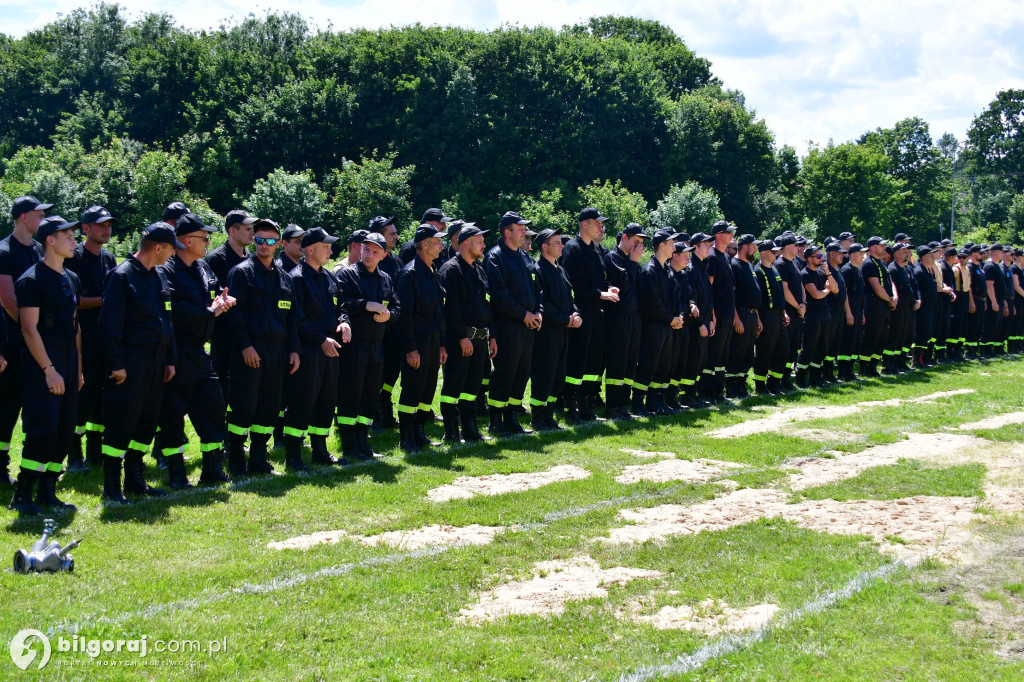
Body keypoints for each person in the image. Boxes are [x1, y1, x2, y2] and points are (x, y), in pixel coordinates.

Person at [99, 222, 180, 503]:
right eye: (171, 249)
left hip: (156, 363)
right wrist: (117, 364)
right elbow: (110, 326)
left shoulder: (157, 275)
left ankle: (135, 479)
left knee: (146, 422)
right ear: (158, 247)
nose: (172, 254)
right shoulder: (121, 276)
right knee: (122, 421)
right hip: (130, 363)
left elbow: (166, 320)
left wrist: (169, 359)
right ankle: (111, 486)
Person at [156, 213, 236, 488]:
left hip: (200, 351)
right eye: (204, 238)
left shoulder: (202, 267)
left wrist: (221, 303)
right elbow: (173, 311)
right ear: (187, 240)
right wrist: (208, 312)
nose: (208, 242)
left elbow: (212, 296)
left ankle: (212, 469)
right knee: (173, 414)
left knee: (213, 406)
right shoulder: (165, 270)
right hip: (175, 350)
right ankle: (176, 473)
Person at [9, 216, 81, 514]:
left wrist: (77, 369)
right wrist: (48, 369)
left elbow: (76, 326)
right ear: (49, 239)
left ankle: (48, 490)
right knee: (44, 427)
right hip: (44, 357)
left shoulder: (71, 277)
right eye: (67, 236)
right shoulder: (32, 280)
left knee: (65, 428)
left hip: (68, 355)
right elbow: (29, 329)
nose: (73, 241)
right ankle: (23, 493)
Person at [224, 219, 300, 477]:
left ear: (278, 244)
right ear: (254, 240)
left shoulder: (285, 279)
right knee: (244, 407)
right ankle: (235, 461)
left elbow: (292, 320)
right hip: (251, 353)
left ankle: (258, 459)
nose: (263, 245)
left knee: (268, 408)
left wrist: (293, 350)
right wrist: (245, 346)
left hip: (277, 354)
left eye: (269, 241)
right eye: (259, 239)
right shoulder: (241, 273)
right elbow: (235, 316)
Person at [283, 227, 349, 470]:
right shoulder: (296, 278)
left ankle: (320, 450)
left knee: (326, 399)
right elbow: (296, 319)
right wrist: (320, 338)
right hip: (309, 350)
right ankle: (293, 456)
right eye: (326, 247)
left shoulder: (329, 277)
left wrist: (344, 322)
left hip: (331, 348)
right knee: (303, 400)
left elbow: (341, 306)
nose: (331, 251)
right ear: (309, 250)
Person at [0, 195, 50, 486]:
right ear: (22, 217)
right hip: (13, 341)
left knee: (31, 406)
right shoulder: (5, 251)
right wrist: (34, 329)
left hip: (34, 340)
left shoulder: (37, 250)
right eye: (38, 214)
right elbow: (8, 300)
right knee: (6, 407)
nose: (42, 219)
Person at [335, 232, 399, 460]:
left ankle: (363, 441)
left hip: (376, 346)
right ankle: (349, 443)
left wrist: (389, 316)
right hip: (354, 347)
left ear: (383, 255)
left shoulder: (385, 279)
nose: (369, 255)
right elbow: (341, 305)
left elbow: (396, 307)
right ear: (360, 249)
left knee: (370, 394)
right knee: (351, 394)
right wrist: (366, 305)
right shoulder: (347, 275)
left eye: (375, 252)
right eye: (366, 250)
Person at [64, 205, 117, 473]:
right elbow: (72, 301)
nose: (106, 229)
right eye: (100, 225)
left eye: (109, 225)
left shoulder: (108, 259)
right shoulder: (73, 258)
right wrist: (104, 300)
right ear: (85, 228)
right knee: (81, 395)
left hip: (104, 337)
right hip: (81, 337)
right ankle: (74, 455)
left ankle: (95, 452)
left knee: (101, 396)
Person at [437, 224, 496, 442]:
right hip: (459, 339)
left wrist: (492, 336)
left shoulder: (478, 269)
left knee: (472, 387)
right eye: (479, 241)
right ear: (467, 243)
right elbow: (450, 309)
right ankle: (451, 431)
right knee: (453, 385)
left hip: (480, 338)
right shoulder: (451, 270)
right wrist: (462, 336)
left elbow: (488, 305)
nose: (483, 245)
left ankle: (470, 429)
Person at [559, 208, 618, 423]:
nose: (601, 226)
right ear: (584, 224)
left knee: (593, 361)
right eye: (597, 222)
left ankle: (586, 405)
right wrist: (599, 294)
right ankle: (569, 407)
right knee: (577, 361)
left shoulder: (596, 250)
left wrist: (609, 289)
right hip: (580, 314)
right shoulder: (572, 250)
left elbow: (601, 280)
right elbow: (573, 284)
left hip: (596, 313)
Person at [486, 211, 543, 434]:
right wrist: (523, 315)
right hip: (508, 326)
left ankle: (512, 417)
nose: (524, 232)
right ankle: (495, 421)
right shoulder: (495, 257)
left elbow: (537, 288)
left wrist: (538, 312)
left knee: (522, 372)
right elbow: (499, 296)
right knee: (505, 372)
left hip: (528, 326)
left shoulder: (524, 257)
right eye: (520, 229)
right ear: (507, 232)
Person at [395, 225, 448, 453]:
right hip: (417, 342)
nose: (442, 246)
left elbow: (438, 311)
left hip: (434, 341)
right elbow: (404, 315)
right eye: (437, 242)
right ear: (424, 244)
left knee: (427, 389)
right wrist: (410, 348)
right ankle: (406, 438)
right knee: (412, 388)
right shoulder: (410, 274)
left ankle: (419, 432)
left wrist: (442, 344)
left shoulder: (432, 270)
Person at [531, 228, 581, 429]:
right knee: (544, 374)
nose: (562, 246)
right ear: (544, 246)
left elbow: (571, 298)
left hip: (563, 331)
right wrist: (565, 319)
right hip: (547, 333)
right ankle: (537, 417)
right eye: (557, 243)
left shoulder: (561, 270)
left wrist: (575, 314)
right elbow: (543, 304)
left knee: (559, 376)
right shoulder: (538, 270)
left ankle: (549, 415)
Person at [634, 227, 684, 414]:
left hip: (668, 325)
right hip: (653, 326)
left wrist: (677, 316)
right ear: (662, 245)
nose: (674, 247)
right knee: (648, 364)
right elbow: (652, 303)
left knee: (664, 365)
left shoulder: (667, 270)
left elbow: (676, 296)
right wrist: (670, 318)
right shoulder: (649, 271)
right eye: (671, 244)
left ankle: (656, 401)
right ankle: (638, 403)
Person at [205, 209, 255, 394]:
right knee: (221, 390)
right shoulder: (215, 260)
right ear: (232, 231)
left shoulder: (251, 260)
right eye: (247, 228)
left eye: (252, 228)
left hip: (249, 335)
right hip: (224, 337)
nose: (252, 233)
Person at [371, 216, 404, 429]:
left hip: (396, 326)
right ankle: (376, 413)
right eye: (391, 233)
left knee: (392, 371)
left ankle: (384, 405)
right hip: (377, 329)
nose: (396, 236)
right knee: (376, 373)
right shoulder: (371, 263)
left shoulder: (396, 260)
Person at [703, 221, 737, 402]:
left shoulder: (725, 257)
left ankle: (718, 391)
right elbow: (709, 287)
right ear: (718, 235)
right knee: (713, 354)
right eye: (728, 232)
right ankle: (707, 392)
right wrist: (712, 314)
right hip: (719, 314)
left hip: (728, 314)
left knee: (723, 353)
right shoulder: (713, 257)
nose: (732, 235)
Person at [680, 233, 715, 406]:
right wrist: (700, 322)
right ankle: (686, 394)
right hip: (695, 324)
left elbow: (707, 297)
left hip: (704, 321)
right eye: (705, 244)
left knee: (701, 359)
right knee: (693, 358)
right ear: (695, 247)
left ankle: (693, 391)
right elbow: (692, 298)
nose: (709, 246)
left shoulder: (702, 266)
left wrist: (709, 320)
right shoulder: (692, 267)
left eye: (709, 243)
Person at [796, 245, 838, 387]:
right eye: (818, 256)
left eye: (822, 256)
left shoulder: (822, 273)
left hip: (825, 315)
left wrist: (827, 272)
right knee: (809, 347)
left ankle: (815, 376)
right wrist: (826, 290)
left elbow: (836, 289)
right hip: (812, 316)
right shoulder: (805, 274)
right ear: (809, 259)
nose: (822, 258)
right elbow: (816, 294)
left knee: (822, 346)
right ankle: (801, 377)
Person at [725, 233, 761, 398]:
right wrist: (736, 319)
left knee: (747, 354)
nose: (755, 250)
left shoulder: (750, 266)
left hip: (753, 316)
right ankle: (731, 389)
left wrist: (758, 318)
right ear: (745, 246)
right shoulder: (735, 265)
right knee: (737, 353)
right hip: (742, 315)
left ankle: (741, 386)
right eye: (753, 246)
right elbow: (731, 296)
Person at [752, 239, 789, 395]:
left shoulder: (774, 270)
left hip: (778, 315)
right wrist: (758, 319)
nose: (776, 254)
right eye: (773, 252)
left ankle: (774, 382)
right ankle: (760, 384)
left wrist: (784, 312)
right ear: (764, 252)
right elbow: (757, 297)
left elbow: (780, 293)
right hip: (766, 315)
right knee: (765, 351)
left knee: (783, 350)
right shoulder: (758, 271)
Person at [860, 236, 896, 377]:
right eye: (881, 246)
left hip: (884, 305)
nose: (884, 248)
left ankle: (873, 366)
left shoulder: (881, 263)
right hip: (874, 305)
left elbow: (888, 282)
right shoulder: (869, 264)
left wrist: (892, 298)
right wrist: (889, 299)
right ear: (873, 247)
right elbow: (876, 286)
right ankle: (864, 367)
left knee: (882, 337)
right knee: (872, 336)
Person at [774, 233, 806, 391]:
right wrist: (797, 306)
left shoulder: (794, 263)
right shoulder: (781, 264)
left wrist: (804, 303)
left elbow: (800, 285)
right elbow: (784, 289)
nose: (798, 248)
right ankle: (777, 379)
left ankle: (786, 377)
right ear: (786, 246)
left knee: (794, 347)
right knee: (784, 348)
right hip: (788, 313)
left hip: (798, 312)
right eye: (795, 245)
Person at [886, 243, 919, 373]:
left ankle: (901, 361)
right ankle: (889, 364)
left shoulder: (907, 269)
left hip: (909, 307)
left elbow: (914, 286)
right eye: (904, 251)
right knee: (895, 335)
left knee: (907, 335)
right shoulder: (893, 269)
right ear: (897, 253)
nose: (907, 253)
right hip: (898, 308)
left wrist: (917, 299)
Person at [838, 243, 867, 381]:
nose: (863, 256)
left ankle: (850, 369)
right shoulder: (847, 270)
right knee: (848, 341)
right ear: (853, 254)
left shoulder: (857, 270)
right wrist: (848, 312)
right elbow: (846, 294)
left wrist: (862, 313)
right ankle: (843, 370)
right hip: (850, 310)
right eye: (861, 254)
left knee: (856, 341)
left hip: (858, 310)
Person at [822, 242, 850, 383]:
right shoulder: (825, 270)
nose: (842, 255)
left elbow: (844, 293)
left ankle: (829, 370)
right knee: (827, 342)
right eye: (839, 253)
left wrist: (848, 312)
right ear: (831, 254)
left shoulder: (837, 270)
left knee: (836, 342)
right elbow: (834, 290)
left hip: (839, 313)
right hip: (830, 312)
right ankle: (823, 372)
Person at [912, 246, 940, 367]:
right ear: (923, 257)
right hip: (923, 309)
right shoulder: (919, 271)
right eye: (930, 254)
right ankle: (917, 359)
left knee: (928, 333)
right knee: (922, 333)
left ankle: (924, 358)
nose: (933, 256)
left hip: (931, 308)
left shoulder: (929, 270)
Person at [983, 244, 1009, 356]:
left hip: (999, 300)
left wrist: (1003, 301)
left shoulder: (997, 266)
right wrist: (993, 301)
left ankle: (990, 349)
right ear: (994, 252)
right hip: (992, 301)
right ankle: (985, 351)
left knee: (996, 327)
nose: (1003, 253)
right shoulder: (990, 266)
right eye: (1001, 251)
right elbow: (989, 285)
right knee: (989, 326)